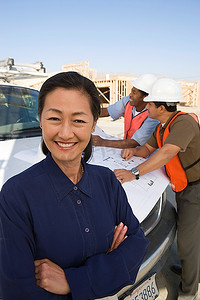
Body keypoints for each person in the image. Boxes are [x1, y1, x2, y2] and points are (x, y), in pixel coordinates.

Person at [0, 71, 148, 300]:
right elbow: (19, 290)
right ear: (40, 119)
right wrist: (109, 263)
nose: (65, 133)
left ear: (93, 124)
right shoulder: (16, 195)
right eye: (54, 118)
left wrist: (72, 281)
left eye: (78, 120)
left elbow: (137, 245)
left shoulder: (106, 180)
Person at [114, 78, 200, 300]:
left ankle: (188, 292)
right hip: (183, 187)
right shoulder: (162, 127)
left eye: (150, 104)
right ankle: (192, 272)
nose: (146, 106)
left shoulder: (183, 123)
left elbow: (166, 153)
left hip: (196, 188)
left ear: (162, 107)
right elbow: (147, 150)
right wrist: (132, 153)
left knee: (188, 241)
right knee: (188, 236)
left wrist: (134, 173)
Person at [92, 74, 159, 149]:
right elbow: (107, 111)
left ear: (145, 97)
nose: (130, 95)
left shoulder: (153, 115)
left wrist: (102, 142)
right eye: (131, 91)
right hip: (127, 149)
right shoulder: (128, 101)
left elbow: (134, 142)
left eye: (134, 92)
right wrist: (85, 113)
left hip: (142, 154)